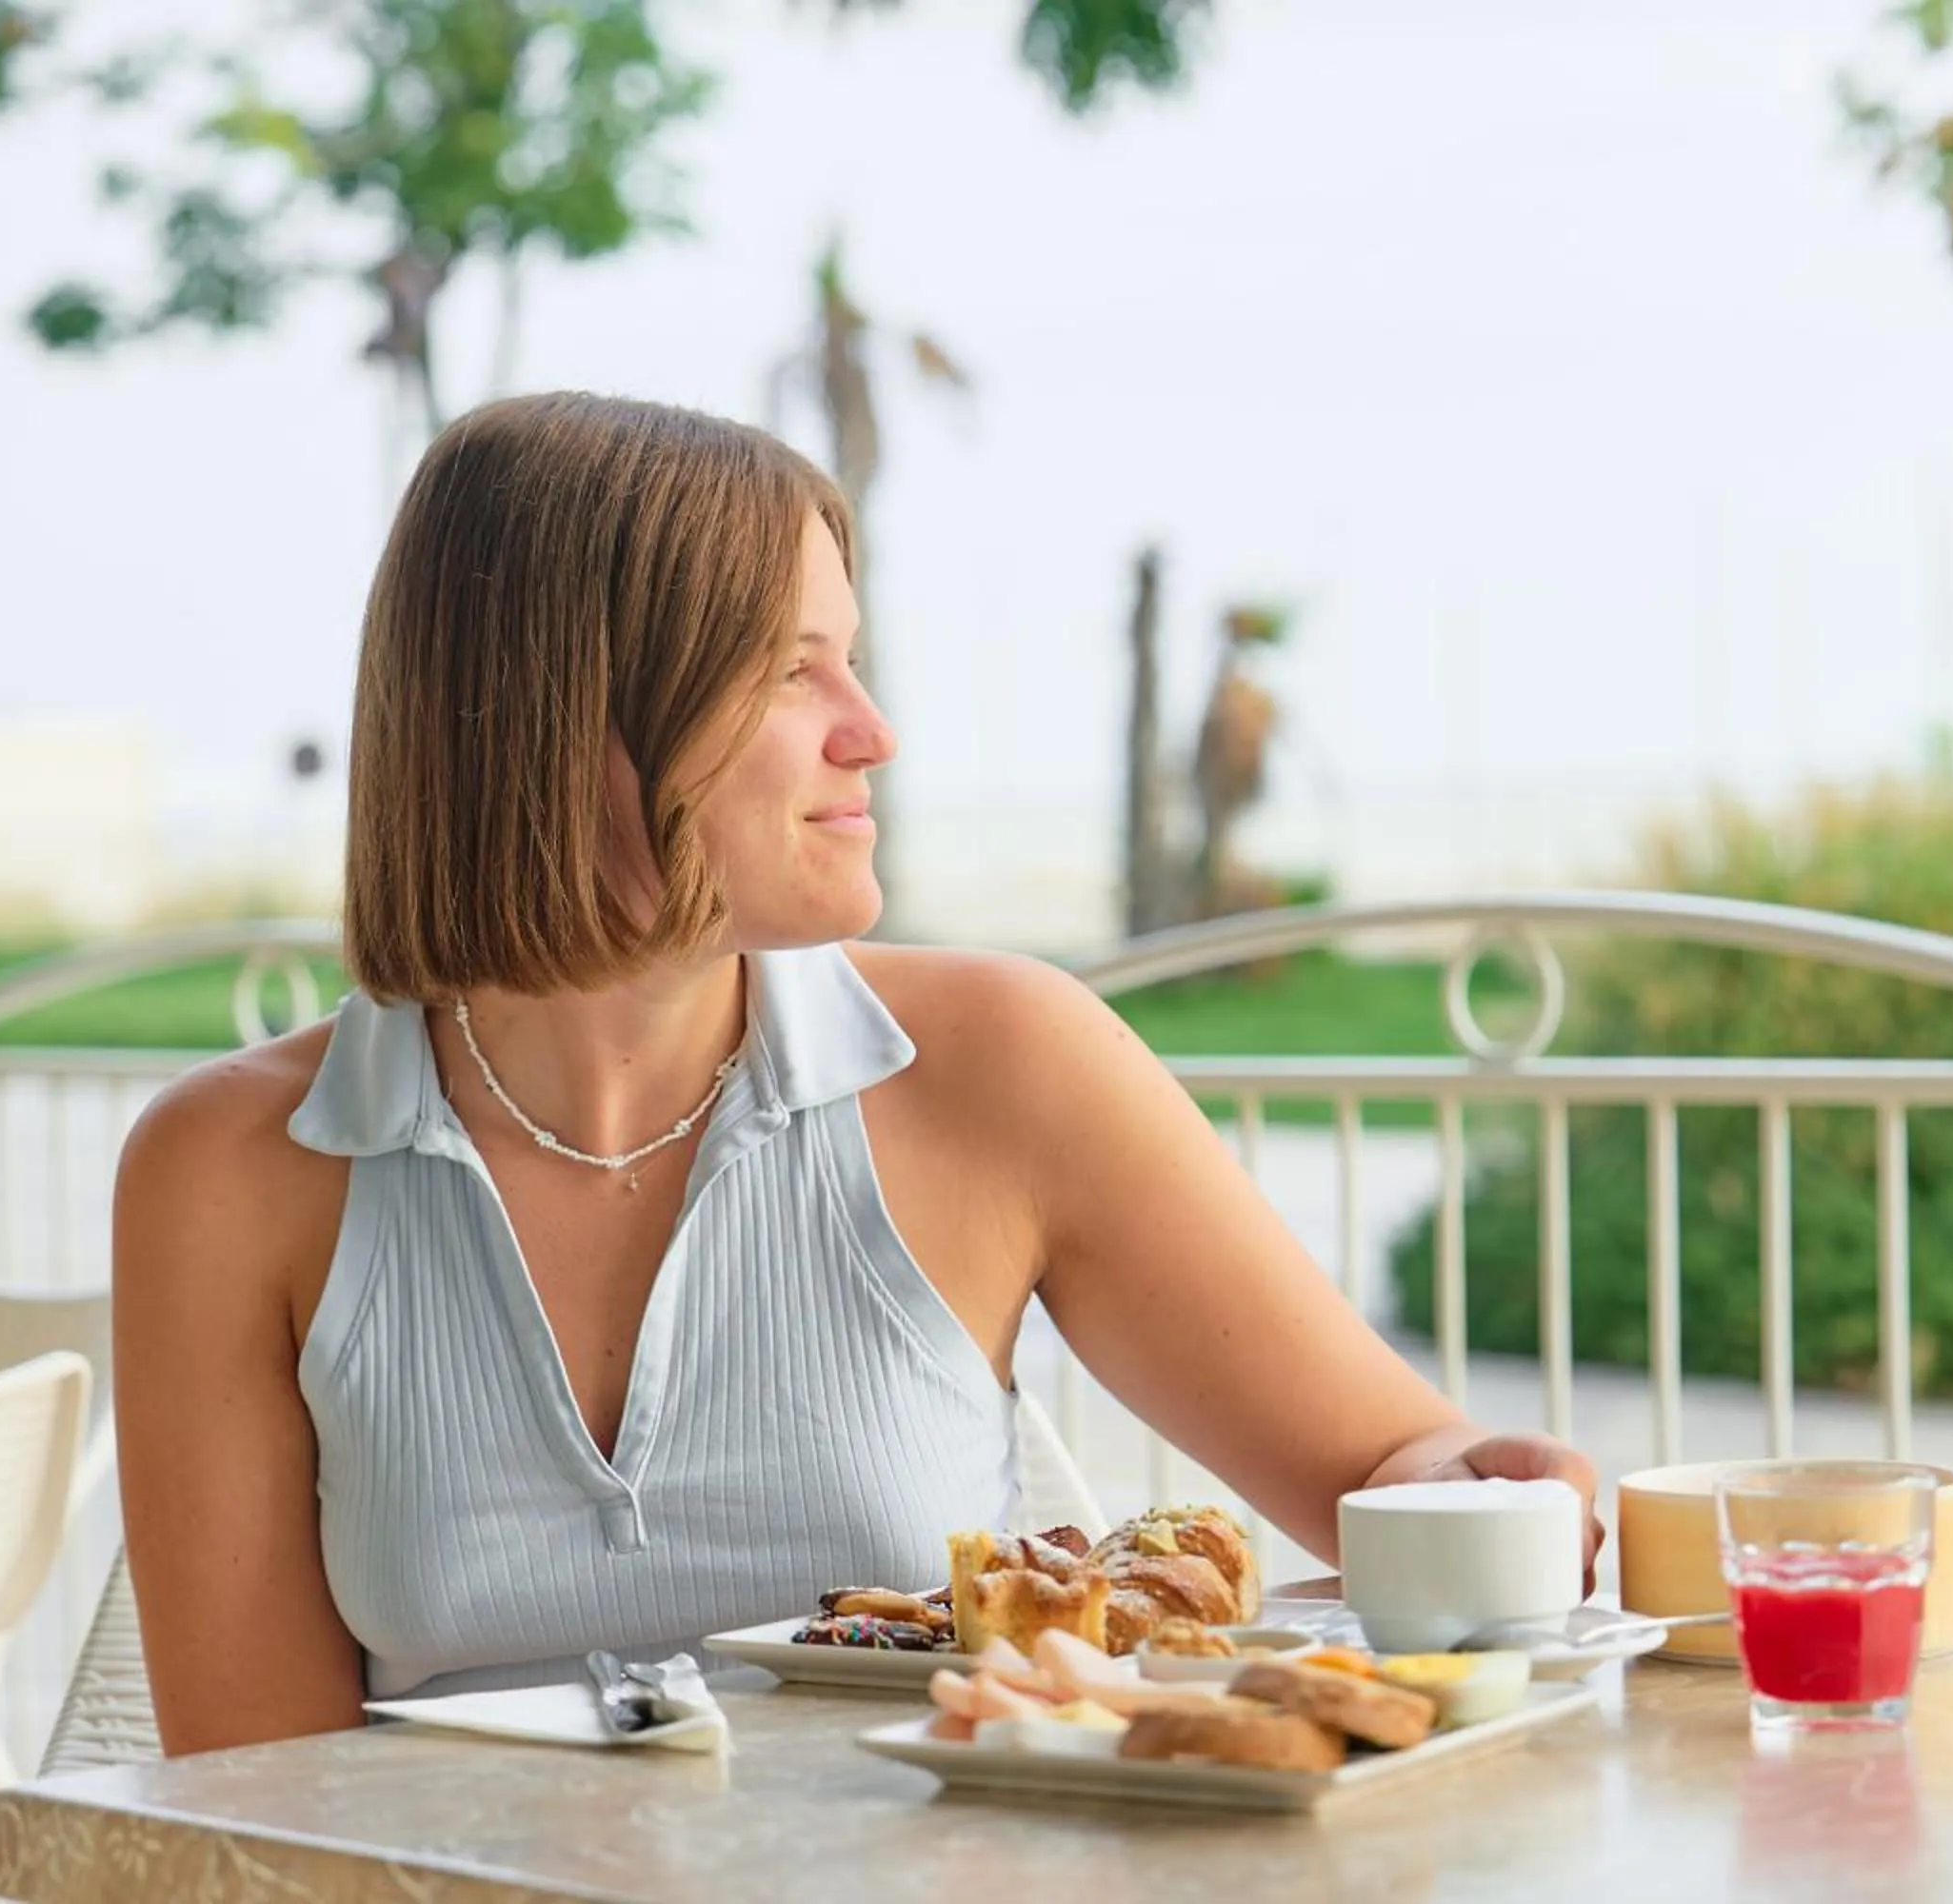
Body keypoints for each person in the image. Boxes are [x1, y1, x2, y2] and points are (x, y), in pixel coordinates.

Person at [111, 391, 1604, 1756]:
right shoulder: (230, 1174)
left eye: (857, 660)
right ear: (572, 721)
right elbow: (264, 1810)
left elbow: (1383, 1458)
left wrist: (1484, 1480)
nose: (870, 733)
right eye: (789, 671)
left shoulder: (1007, 1067)